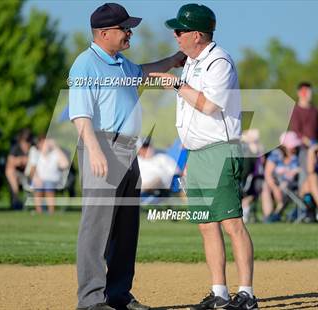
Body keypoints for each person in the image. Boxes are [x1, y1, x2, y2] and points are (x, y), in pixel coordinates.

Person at [68, 3, 185, 310]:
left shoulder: (120, 63)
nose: (129, 32)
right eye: (124, 28)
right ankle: (91, 300)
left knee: (126, 227)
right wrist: (94, 150)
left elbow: (143, 73)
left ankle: (118, 294)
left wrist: (173, 61)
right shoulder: (85, 64)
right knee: (97, 228)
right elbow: (80, 114)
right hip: (102, 146)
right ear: (104, 33)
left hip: (128, 150)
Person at [151, 4, 258, 309]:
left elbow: (210, 106)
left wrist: (176, 83)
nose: (176, 35)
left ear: (197, 34)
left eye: (181, 30)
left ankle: (247, 293)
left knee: (231, 222)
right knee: (206, 224)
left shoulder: (219, 62)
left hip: (219, 150)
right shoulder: (192, 61)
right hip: (196, 154)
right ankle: (220, 293)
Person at [262, 131, 301, 222]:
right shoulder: (276, 155)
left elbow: (302, 171)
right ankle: (269, 216)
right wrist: (275, 188)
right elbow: (268, 174)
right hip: (278, 185)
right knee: (266, 186)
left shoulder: (298, 155)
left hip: (293, 185)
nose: (294, 147)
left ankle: (277, 213)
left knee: (285, 186)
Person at [29, 136, 69, 214]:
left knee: (48, 184)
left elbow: (65, 165)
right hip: (39, 179)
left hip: (53, 179)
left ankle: (51, 211)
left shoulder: (55, 153)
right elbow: (32, 169)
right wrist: (36, 178)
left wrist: (56, 147)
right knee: (38, 186)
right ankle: (39, 211)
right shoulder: (36, 153)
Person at [5, 128, 33, 209]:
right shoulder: (15, 148)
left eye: (28, 140)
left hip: (31, 174)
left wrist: (22, 160)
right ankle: (15, 196)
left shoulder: (33, 147)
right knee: (9, 171)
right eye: (24, 140)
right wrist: (21, 160)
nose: (26, 143)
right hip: (19, 175)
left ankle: (16, 199)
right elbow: (10, 161)